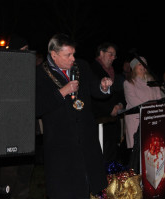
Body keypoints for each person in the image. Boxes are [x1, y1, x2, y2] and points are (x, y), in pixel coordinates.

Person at [36, 33, 111, 198]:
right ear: (54, 55)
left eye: (73, 53)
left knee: (88, 185)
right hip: (61, 143)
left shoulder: (81, 66)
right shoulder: (40, 73)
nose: (72, 58)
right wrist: (63, 92)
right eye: (68, 55)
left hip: (85, 137)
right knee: (66, 189)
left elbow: (94, 89)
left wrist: (103, 87)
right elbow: (37, 107)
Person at [0, 34, 34, 199]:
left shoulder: (28, 69)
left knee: (25, 169)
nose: (27, 53)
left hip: (25, 127)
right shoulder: (3, 70)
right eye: (23, 50)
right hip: (9, 129)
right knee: (9, 170)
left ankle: (22, 195)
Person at [123, 57, 162, 172]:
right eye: (140, 64)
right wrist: (152, 109)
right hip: (137, 121)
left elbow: (159, 98)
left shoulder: (152, 81)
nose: (143, 66)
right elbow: (134, 102)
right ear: (134, 67)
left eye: (144, 64)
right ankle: (137, 178)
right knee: (139, 152)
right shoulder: (129, 83)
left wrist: (157, 109)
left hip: (153, 119)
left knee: (152, 151)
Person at [90, 42, 125, 164]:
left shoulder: (112, 71)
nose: (113, 58)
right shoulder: (92, 69)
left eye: (114, 56)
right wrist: (110, 108)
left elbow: (119, 92)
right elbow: (93, 95)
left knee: (112, 152)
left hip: (112, 120)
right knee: (102, 153)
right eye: (110, 54)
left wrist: (120, 104)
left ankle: (111, 178)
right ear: (101, 53)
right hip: (99, 120)